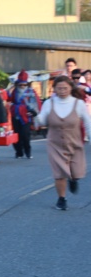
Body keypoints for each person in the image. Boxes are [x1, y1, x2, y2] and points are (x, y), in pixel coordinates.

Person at [33, 75, 91, 211]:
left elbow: (88, 123)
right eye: (59, 88)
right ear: (54, 90)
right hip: (55, 144)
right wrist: (35, 116)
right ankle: (61, 199)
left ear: (71, 88)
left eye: (65, 88)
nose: (62, 91)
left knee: (77, 171)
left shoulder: (79, 104)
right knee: (59, 173)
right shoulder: (49, 103)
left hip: (75, 142)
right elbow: (42, 121)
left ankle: (74, 179)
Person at [7, 71, 40, 159]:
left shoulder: (31, 91)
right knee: (16, 135)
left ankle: (27, 151)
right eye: (20, 84)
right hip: (16, 114)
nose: (22, 86)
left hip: (26, 116)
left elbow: (36, 102)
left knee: (25, 135)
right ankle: (19, 152)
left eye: (24, 85)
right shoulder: (14, 91)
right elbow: (9, 99)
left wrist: (33, 112)